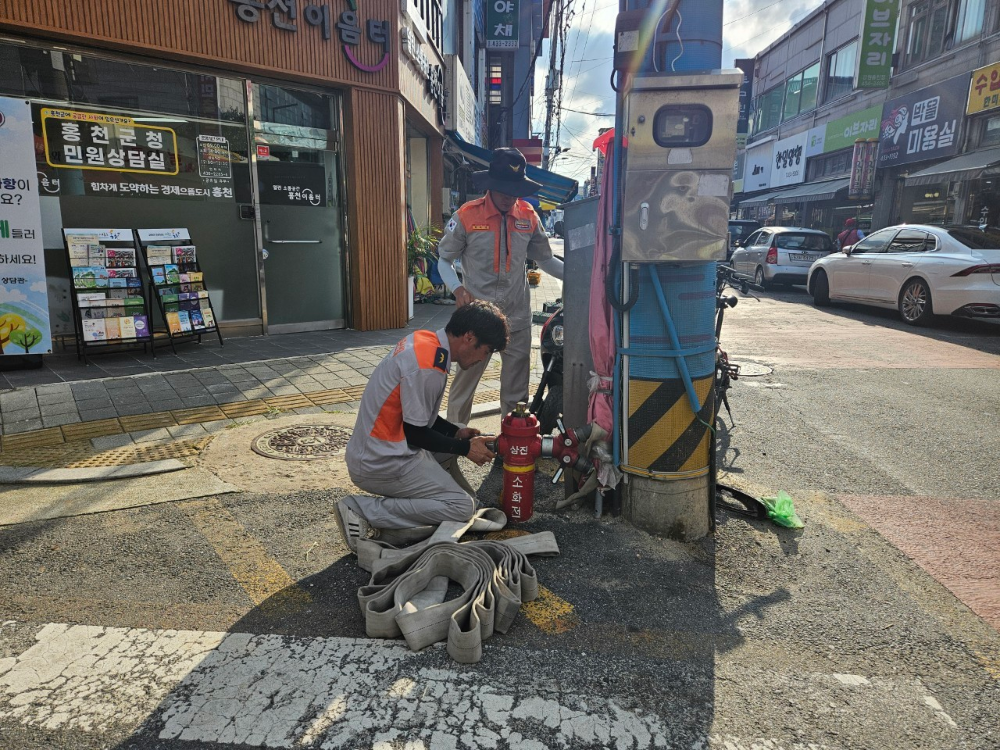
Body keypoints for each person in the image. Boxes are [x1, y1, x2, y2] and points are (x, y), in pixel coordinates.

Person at [334, 301, 510, 552]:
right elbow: (416, 434)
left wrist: (456, 433)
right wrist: (465, 448)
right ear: (470, 338)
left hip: (377, 447)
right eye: (487, 351)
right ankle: (361, 509)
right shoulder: (429, 368)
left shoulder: (425, 341)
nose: (484, 359)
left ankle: (429, 498)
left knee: (457, 430)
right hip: (381, 461)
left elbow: (418, 417)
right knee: (462, 507)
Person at [436, 147, 564, 427]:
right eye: (504, 189)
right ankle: (453, 440)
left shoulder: (528, 216)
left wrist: (582, 277)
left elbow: (546, 260)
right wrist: (457, 289)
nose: (509, 197)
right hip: (476, 320)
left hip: (516, 317)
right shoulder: (468, 215)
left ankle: (511, 445)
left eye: (515, 190)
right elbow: (444, 262)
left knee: (517, 393)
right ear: (491, 186)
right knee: (464, 386)